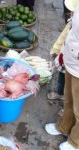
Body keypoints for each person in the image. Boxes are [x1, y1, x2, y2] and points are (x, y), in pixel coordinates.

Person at [45, 0, 79, 149]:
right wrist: (61, 51)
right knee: (69, 100)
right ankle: (64, 127)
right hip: (72, 61)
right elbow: (71, 28)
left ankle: (75, 142)